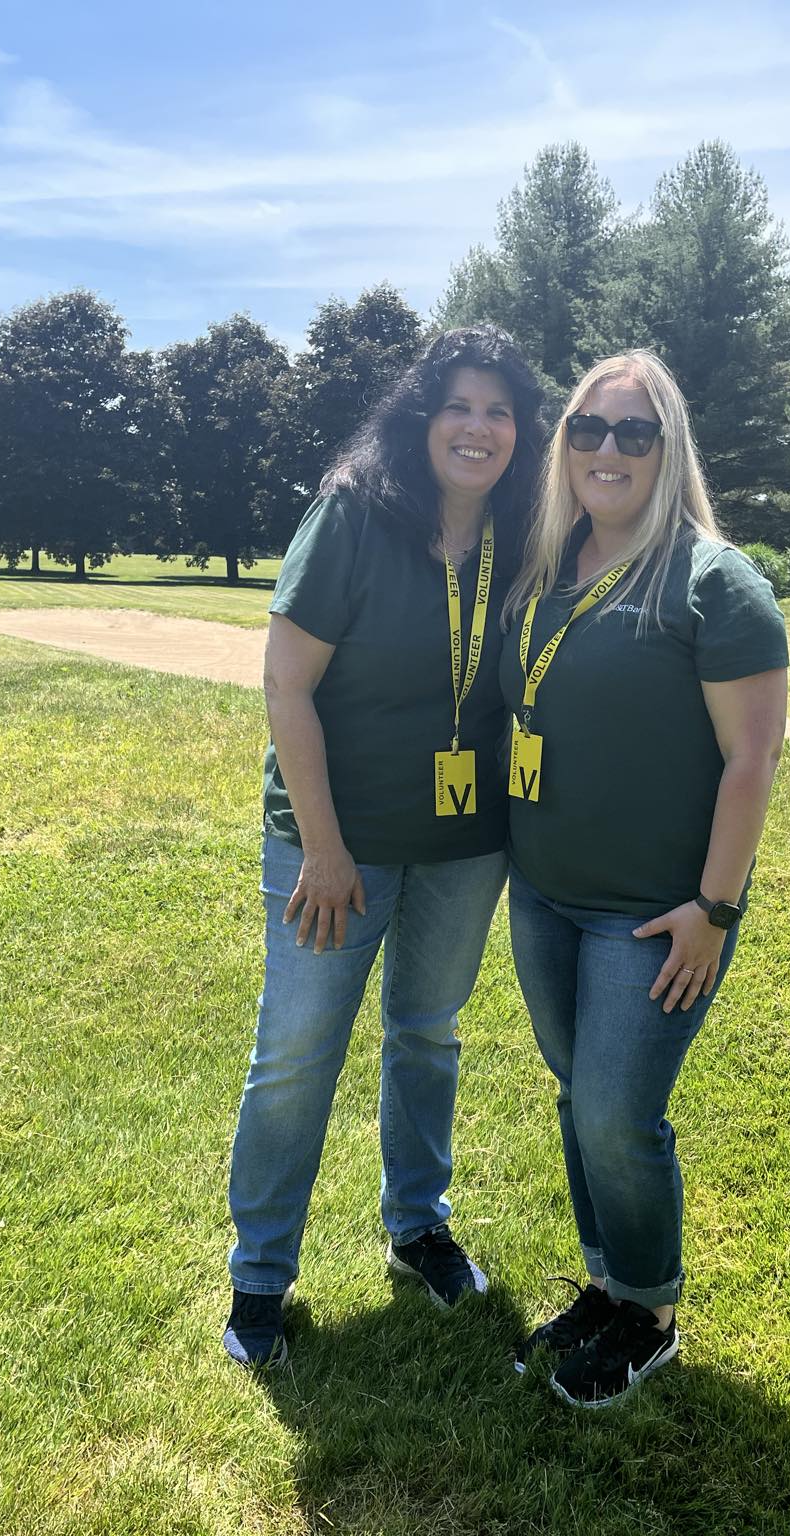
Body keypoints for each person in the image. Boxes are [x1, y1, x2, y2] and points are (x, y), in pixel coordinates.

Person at [222, 325, 544, 1368]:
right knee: (297, 1057)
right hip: (337, 847)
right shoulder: (354, 512)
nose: (478, 427)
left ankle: (417, 1228)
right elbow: (286, 685)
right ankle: (260, 1277)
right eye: (458, 404)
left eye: (499, 411)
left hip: (464, 843)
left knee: (427, 1033)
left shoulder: (523, 529)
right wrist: (322, 848)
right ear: (421, 415)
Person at [500, 350, 789, 1407]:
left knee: (620, 1114)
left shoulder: (713, 581)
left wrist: (714, 911)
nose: (606, 450)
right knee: (580, 1098)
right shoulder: (547, 566)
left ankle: (651, 1315)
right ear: (562, 445)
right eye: (586, 428)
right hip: (544, 895)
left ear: (668, 450)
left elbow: (750, 761)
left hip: (654, 915)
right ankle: (607, 1286)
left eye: (633, 432)